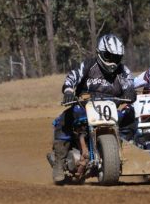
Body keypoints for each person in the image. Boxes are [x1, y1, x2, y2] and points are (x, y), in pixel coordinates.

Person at [51, 34, 136, 184]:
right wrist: (69, 91)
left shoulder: (123, 71)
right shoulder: (89, 65)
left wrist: (130, 92)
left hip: (111, 110)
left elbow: (129, 84)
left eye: (116, 58)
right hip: (84, 106)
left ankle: (133, 155)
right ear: (100, 53)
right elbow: (72, 77)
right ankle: (59, 162)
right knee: (63, 120)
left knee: (132, 117)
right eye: (109, 56)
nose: (112, 62)